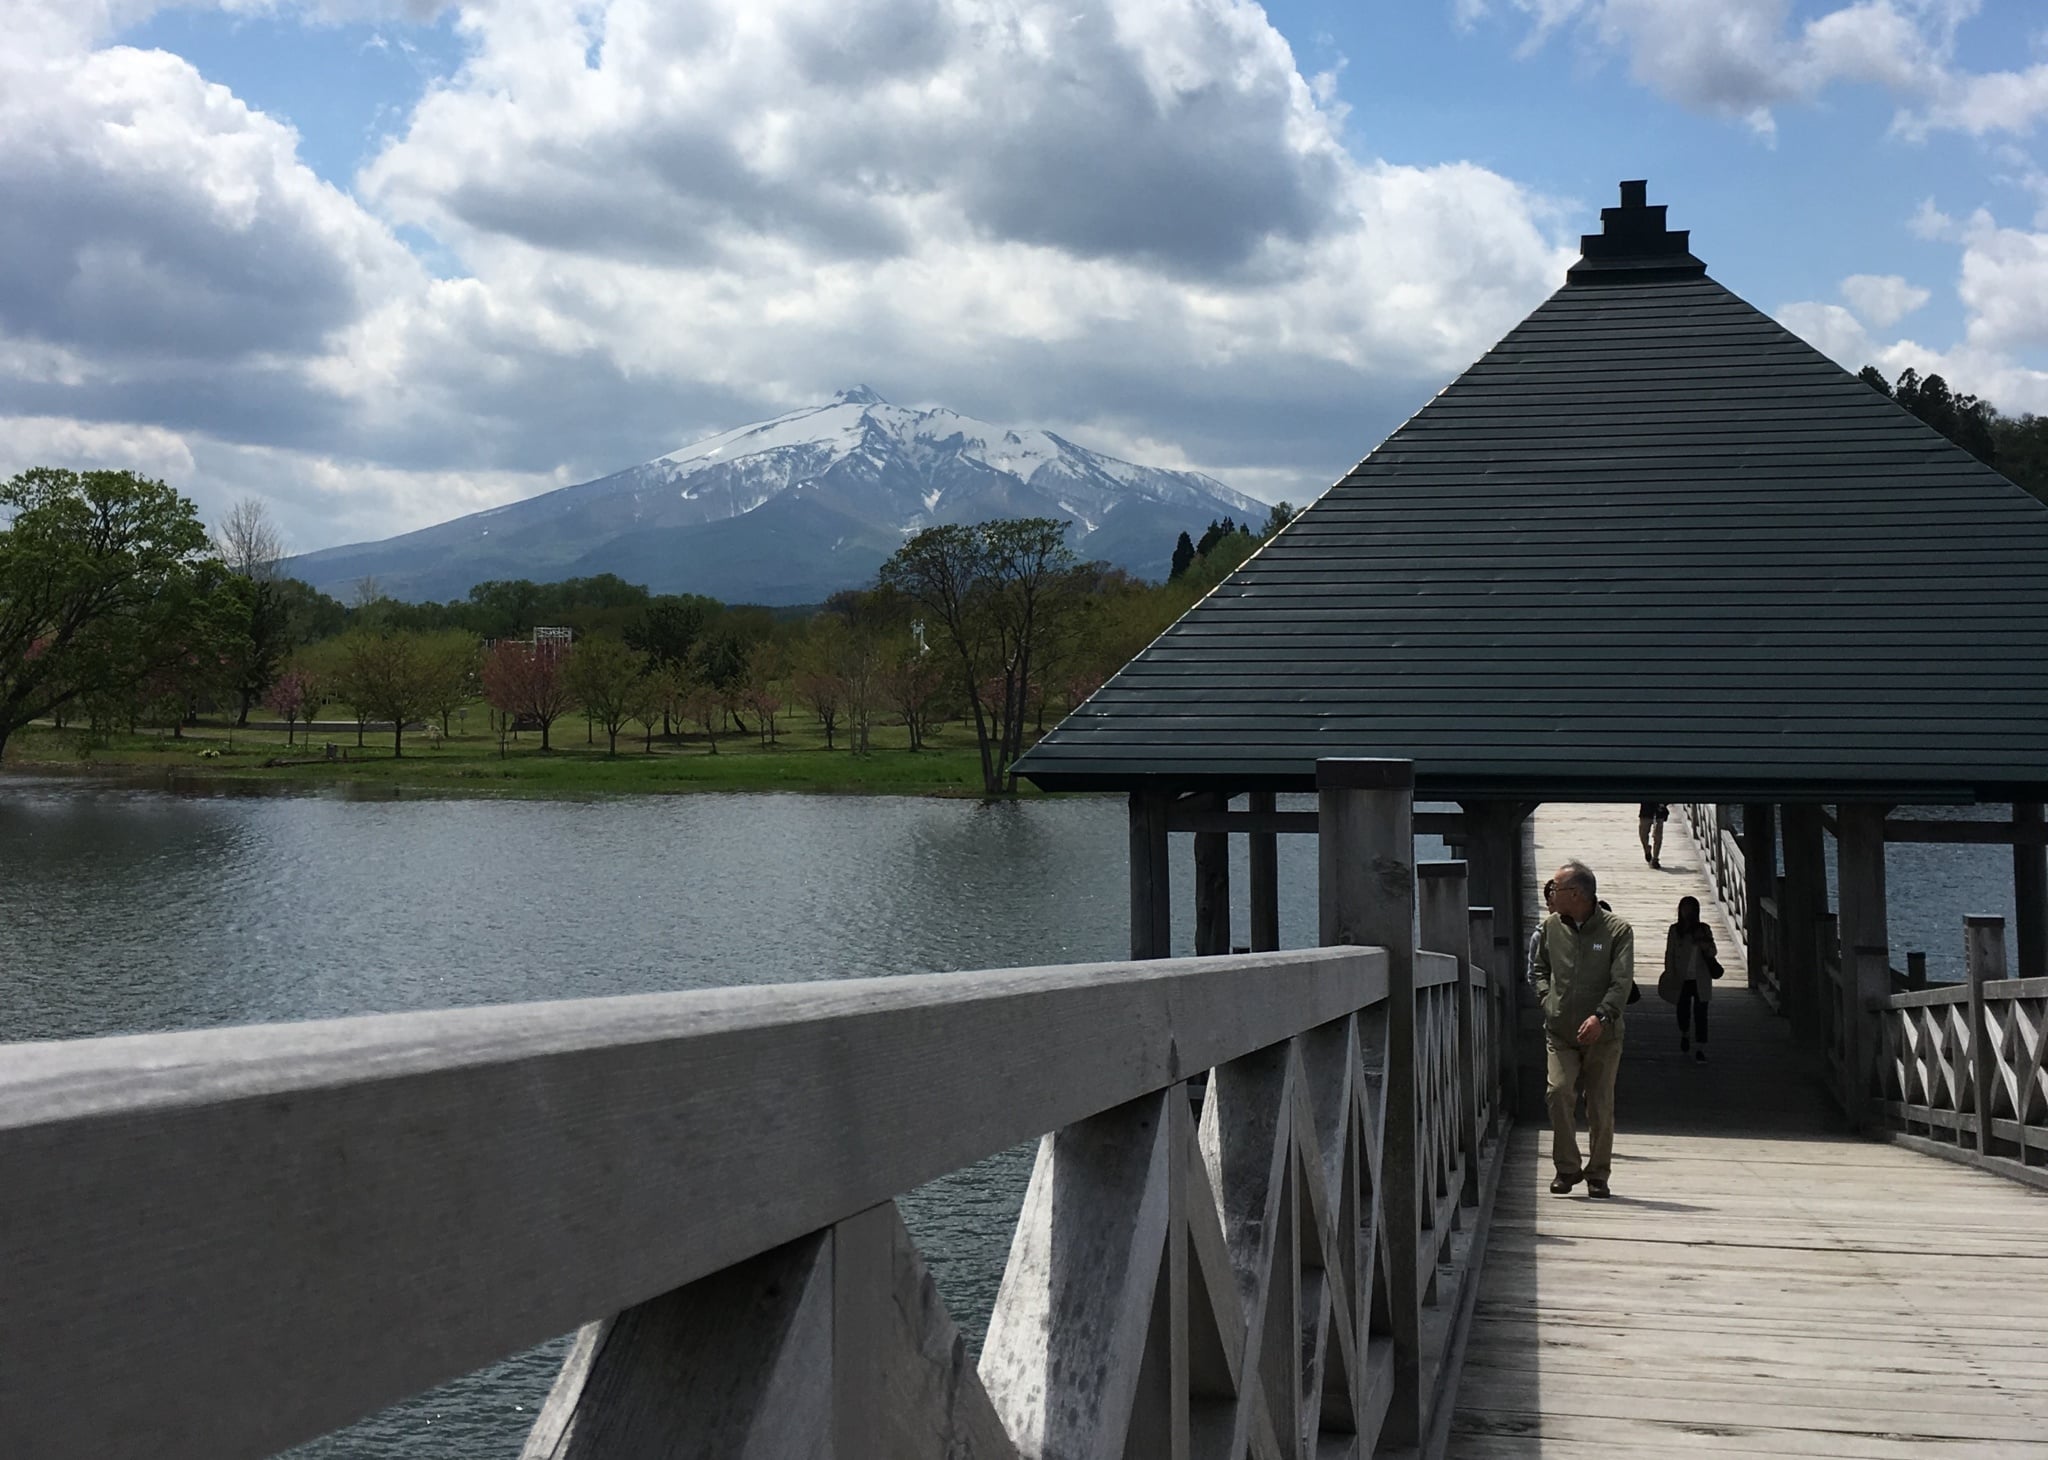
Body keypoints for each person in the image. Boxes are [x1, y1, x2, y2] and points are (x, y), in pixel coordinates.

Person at [1531, 860, 1635, 1197]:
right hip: (1560, 1031)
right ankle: (1567, 1168)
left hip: (1603, 1034)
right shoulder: (1550, 927)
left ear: (1576, 894)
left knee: (1600, 1104)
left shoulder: (1617, 931)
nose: (1551, 893)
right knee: (1558, 1092)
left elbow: (1622, 982)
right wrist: (1547, 1000)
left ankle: (1598, 1173)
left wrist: (1602, 1016)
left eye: (1556, 888)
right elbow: (1539, 968)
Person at [1659, 895, 1720, 1062]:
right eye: (1684, 908)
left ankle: (1700, 1047)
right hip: (1682, 976)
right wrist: (1669, 972)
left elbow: (1713, 951)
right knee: (1683, 1010)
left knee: (1701, 1014)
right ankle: (1685, 1033)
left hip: (1700, 977)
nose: (1687, 911)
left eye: (1690, 908)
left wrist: (1704, 944)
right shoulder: (1675, 930)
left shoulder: (1704, 929)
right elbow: (1670, 953)